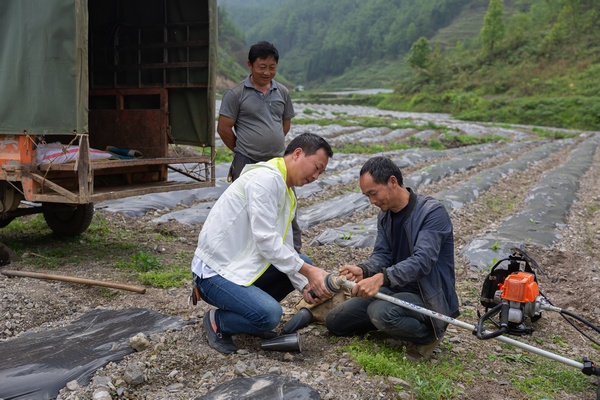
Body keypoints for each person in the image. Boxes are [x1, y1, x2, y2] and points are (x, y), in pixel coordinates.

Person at [192, 133, 334, 354]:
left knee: (301, 263)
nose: (315, 176)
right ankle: (218, 321)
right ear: (297, 154)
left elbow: (284, 247)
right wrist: (309, 271)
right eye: (316, 167)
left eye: (321, 172)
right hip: (214, 273)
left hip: (239, 264)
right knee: (270, 315)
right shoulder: (266, 180)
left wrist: (305, 284)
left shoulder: (287, 192)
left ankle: (250, 313)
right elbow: (266, 240)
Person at [325, 156, 459, 361]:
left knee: (381, 312)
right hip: (396, 288)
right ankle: (389, 320)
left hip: (427, 295)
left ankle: (428, 334)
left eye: (373, 193)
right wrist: (365, 270)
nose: (372, 201)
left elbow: (423, 260)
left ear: (393, 181)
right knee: (335, 322)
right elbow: (383, 255)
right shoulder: (385, 215)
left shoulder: (431, 212)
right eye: (367, 196)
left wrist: (381, 278)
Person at [217, 41, 304, 252]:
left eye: (272, 67)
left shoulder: (282, 92)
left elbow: (285, 124)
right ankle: (240, 252)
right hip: (246, 161)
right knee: (243, 208)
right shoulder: (236, 94)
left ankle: (294, 252)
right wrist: (243, 148)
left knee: (285, 205)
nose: (267, 72)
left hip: (277, 162)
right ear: (250, 65)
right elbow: (224, 129)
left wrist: (270, 142)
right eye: (262, 66)